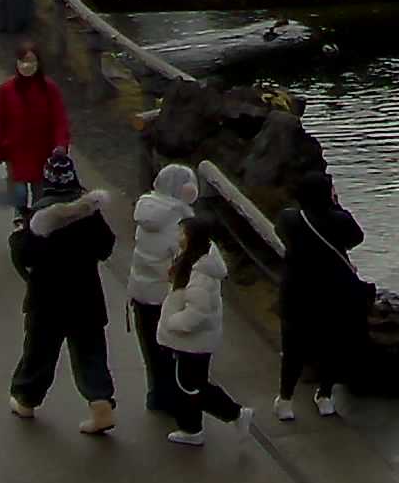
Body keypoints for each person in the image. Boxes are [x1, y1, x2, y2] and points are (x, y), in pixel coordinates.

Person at [7, 151, 119, 431]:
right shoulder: (88, 213)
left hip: (46, 299)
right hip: (86, 296)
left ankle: (26, 400)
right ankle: (100, 401)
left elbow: (24, 255)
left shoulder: (38, 218)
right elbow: (105, 247)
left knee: (39, 353)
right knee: (90, 352)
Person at [151, 218, 254, 446]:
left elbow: (198, 312)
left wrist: (172, 323)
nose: (178, 236)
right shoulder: (196, 262)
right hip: (195, 340)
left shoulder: (200, 273)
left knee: (190, 385)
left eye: (182, 232)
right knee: (190, 383)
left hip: (190, 340)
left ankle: (233, 413)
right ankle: (192, 428)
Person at [277, 175, 370, 420]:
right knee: (332, 344)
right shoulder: (340, 220)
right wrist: (336, 205)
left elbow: (282, 234)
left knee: (293, 349)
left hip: (295, 292)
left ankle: (285, 400)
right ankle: (325, 395)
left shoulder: (289, 219)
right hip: (332, 292)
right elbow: (356, 239)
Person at [127, 162, 198, 422]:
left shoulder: (148, 213)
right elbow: (181, 260)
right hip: (164, 297)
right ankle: (174, 400)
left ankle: (156, 394)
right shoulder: (178, 224)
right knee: (170, 350)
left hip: (140, 291)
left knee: (150, 349)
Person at [0, 43, 70, 216]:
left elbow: (59, 120)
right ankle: (21, 226)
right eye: (23, 60)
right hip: (16, 152)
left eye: (31, 61)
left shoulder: (49, 89)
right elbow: (0, 122)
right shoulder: (5, 90)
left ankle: (36, 232)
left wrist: (61, 145)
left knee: (41, 199)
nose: (26, 65)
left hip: (43, 153)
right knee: (19, 197)